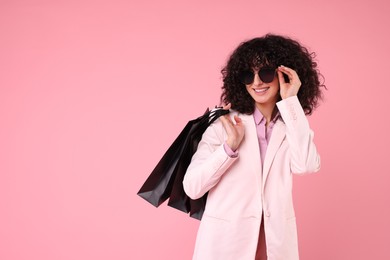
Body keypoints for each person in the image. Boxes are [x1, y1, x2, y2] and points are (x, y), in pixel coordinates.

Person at [183, 34, 324, 260]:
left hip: (275, 247)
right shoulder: (224, 124)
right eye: (248, 75)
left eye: (266, 73)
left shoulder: (291, 125)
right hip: (225, 246)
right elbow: (193, 187)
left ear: (283, 74)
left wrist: (291, 103)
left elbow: (306, 165)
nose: (257, 82)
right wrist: (229, 148)